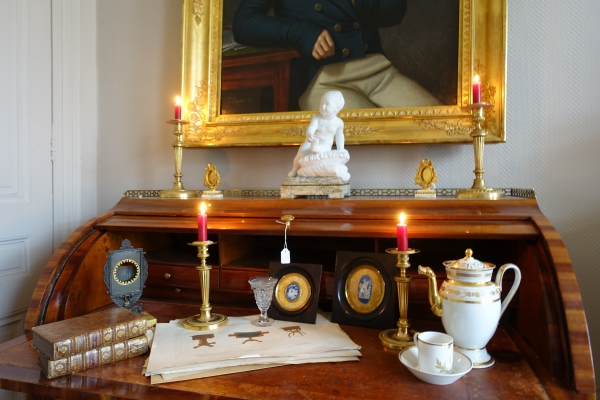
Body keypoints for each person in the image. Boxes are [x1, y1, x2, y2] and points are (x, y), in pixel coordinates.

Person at [232, 0, 441, 110]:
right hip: (322, 79)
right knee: (377, 140)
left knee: (441, 124)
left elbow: (394, 11)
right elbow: (245, 23)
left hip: (377, 70)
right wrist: (301, 32)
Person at [288, 91, 349, 180]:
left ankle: (315, 147)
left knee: (320, 150)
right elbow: (311, 128)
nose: (323, 107)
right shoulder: (316, 118)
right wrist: (310, 134)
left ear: (337, 108)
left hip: (325, 143)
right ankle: (294, 169)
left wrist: (341, 149)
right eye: (321, 104)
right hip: (311, 140)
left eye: (327, 104)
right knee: (300, 153)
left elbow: (339, 136)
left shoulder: (339, 122)